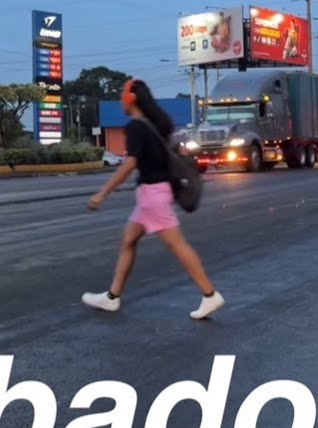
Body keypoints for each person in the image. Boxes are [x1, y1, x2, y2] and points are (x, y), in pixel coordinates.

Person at [84, 79, 224, 319]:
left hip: (153, 197)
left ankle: (210, 294)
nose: (120, 100)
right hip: (153, 195)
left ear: (131, 99)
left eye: (122, 95)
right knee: (129, 240)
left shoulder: (136, 127)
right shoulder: (153, 125)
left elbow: (130, 164)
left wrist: (103, 193)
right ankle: (112, 297)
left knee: (178, 246)